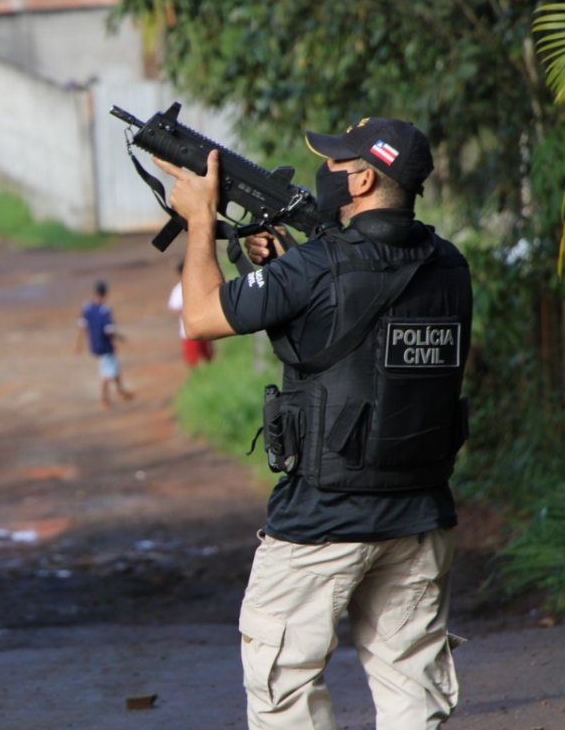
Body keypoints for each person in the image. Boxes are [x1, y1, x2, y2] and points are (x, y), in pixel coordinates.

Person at [154, 117, 471, 729]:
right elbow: (363, 336)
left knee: (285, 688)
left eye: (335, 163)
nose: (323, 173)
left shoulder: (319, 267)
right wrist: (286, 266)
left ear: (359, 178)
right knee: (413, 689)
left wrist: (199, 220)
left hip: (322, 518)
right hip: (421, 511)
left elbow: (198, 316)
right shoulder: (450, 266)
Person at [74, 280, 135, 407]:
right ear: (105, 294)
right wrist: (119, 338)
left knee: (114, 368)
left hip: (95, 345)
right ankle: (104, 398)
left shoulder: (88, 307)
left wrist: (77, 343)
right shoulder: (104, 310)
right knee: (107, 373)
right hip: (105, 346)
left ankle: (121, 391)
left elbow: (82, 326)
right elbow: (109, 331)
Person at [168, 260, 214, 367]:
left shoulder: (198, 284)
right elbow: (174, 307)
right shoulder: (179, 289)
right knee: (194, 361)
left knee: (207, 358)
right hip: (189, 330)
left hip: (203, 328)